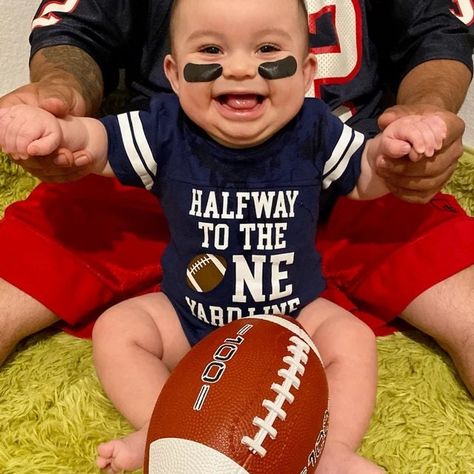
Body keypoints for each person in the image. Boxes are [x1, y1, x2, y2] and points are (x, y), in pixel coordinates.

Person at [0, 1, 450, 472]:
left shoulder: (315, 128)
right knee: (119, 330)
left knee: (352, 340)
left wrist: (395, 151)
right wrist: (52, 130)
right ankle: (167, 429)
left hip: (291, 321)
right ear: (173, 73)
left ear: (306, 70)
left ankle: (328, 448)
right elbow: (93, 145)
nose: (238, 68)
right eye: (212, 49)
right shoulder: (163, 126)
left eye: (268, 49)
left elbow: (364, 176)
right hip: (187, 313)